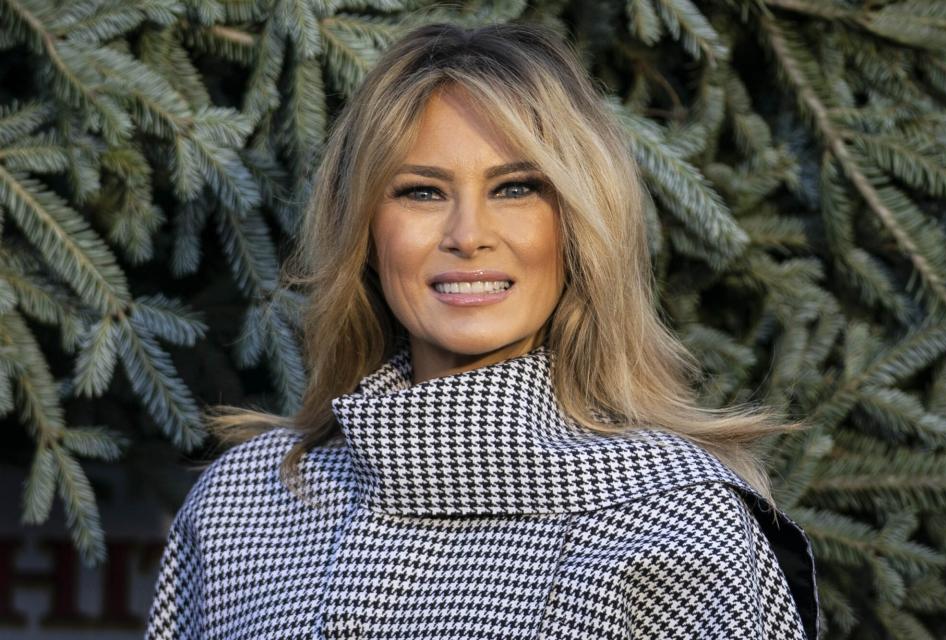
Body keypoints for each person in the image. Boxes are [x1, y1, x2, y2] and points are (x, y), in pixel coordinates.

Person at [145, 20, 820, 640]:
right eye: (421, 191)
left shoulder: (678, 520)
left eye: (516, 188)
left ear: (580, 223)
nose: (468, 237)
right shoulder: (243, 505)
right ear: (365, 232)